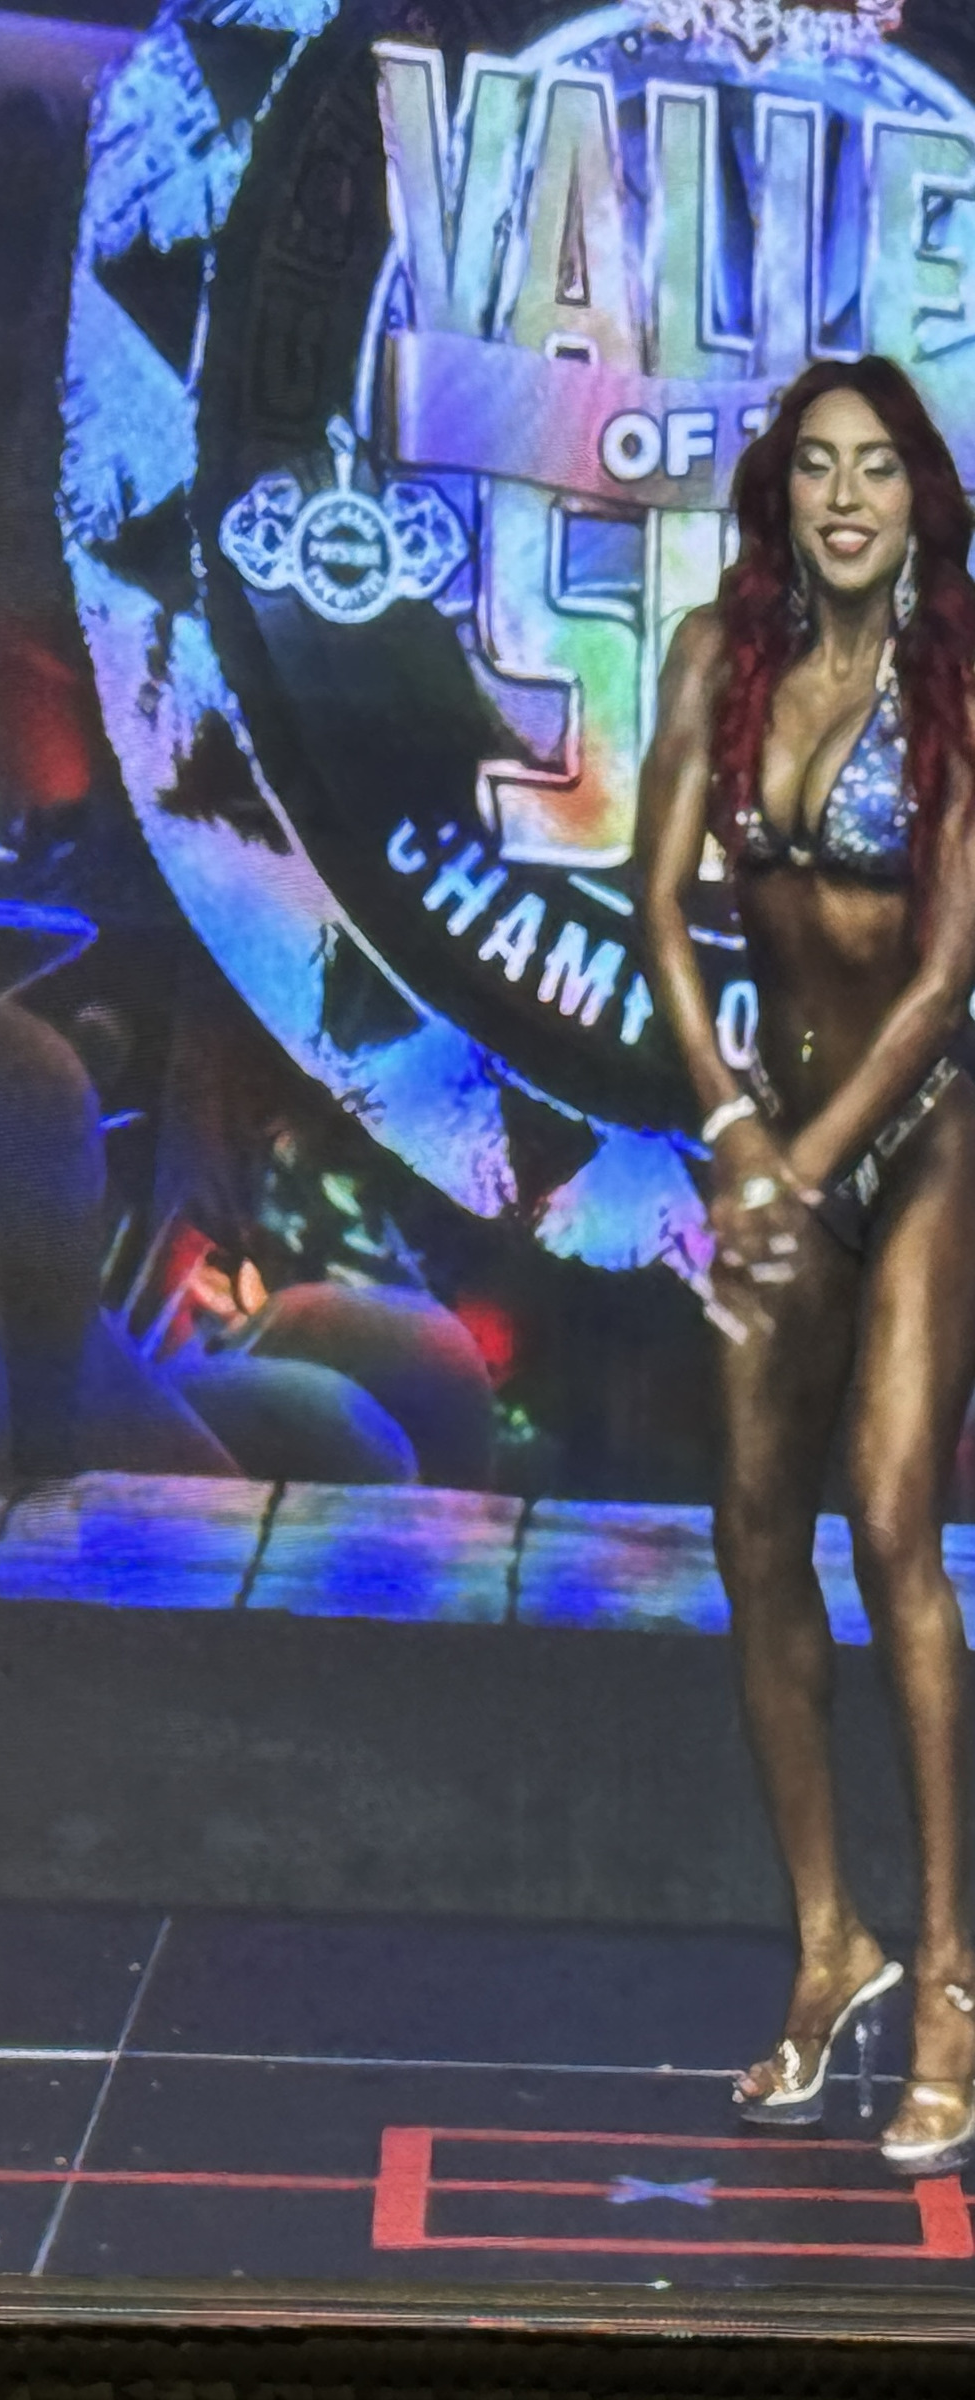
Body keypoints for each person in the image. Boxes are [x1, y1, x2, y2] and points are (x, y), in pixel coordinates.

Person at [637, 355, 975, 2176]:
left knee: (892, 1515)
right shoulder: (720, 656)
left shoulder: (963, 679)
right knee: (754, 1536)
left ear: (921, 498)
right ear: (785, 491)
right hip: (774, 1139)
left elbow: (946, 977)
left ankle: (952, 1984)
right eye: (820, 468)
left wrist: (806, 1174)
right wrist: (732, 1132)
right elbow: (658, 906)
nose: (848, 498)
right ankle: (831, 1947)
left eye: (880, 469)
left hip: (924, 1135)